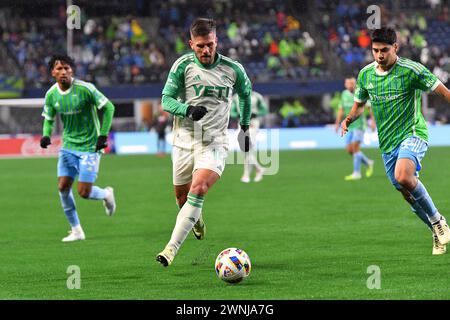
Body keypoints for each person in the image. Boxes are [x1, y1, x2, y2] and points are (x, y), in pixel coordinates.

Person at [341, 27, 450, 255]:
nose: (379, 55)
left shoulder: (411, 70)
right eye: (375, 50)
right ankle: (434, 230)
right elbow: (360, 104)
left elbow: (442, 90)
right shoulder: (366, 75)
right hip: (387, 143)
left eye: (384, 50)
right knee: (406, 192)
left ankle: (438, 220)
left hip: (413, 133)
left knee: (403, 176)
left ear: (395, 48)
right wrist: (349, 118)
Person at [156, 18, 252, 267]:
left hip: (214, 142)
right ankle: (196, 218)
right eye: (200, 46)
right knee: (182, 199)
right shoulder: (182, 67)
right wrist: (186, 109)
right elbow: (166, 100)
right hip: (184, 141)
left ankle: (170, 249)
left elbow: (245, 94)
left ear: (216, 41)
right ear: (191, 44)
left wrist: (244, 127)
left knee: (198, 189)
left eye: (210, 44)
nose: (206, 51)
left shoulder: (233, 69)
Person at [40, 54, 116, 242]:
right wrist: (46, 135)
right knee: (63, 186)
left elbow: (109, 108)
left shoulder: (86, 89)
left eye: (67, 68)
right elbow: (48, 119)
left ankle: (106, 194)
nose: (63, 72)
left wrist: (103, 135)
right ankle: (76, 230)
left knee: (84, 192)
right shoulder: (51, 94)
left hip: (90, 146)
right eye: (59, 69)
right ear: (53, 72)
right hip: (68, 146)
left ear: (72, 70)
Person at [335, 76, 375, 180]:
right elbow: (341, 109)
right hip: (349, 126)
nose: (350, 85)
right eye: (348, 83)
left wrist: (373, 122)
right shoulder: (344, 94)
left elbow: (370, 108)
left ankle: (357, 173)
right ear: (345, 84)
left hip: (359, 125)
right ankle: (367, 162)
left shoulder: (360, 93)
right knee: (349, 149)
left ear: (355, 84)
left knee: (355, 147)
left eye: (351, 83)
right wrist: (337, 123)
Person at [231, 90, 268, 183]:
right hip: (242, 122)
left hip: (253, 123)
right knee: (245, 149)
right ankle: (259, 169)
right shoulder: (236, 97)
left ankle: (246, 175)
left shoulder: (257, 96)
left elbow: (264, 110)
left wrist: (257, 113)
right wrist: (238, 115)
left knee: (247, 149)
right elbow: (232, 111)